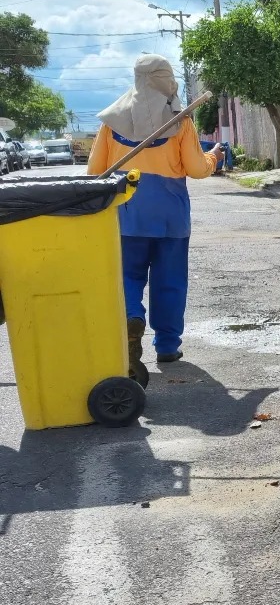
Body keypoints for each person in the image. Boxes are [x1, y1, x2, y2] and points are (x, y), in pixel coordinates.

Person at [87, 55, 223, 372]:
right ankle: (167, 346)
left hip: (125, 213)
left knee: (126, 276)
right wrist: (213, 157)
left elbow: (95, 172)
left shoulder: (111, 122)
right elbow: (197, 169)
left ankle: (132, 315)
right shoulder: (180, 121)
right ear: (166, 80)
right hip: (170, 216)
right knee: (170, 281)